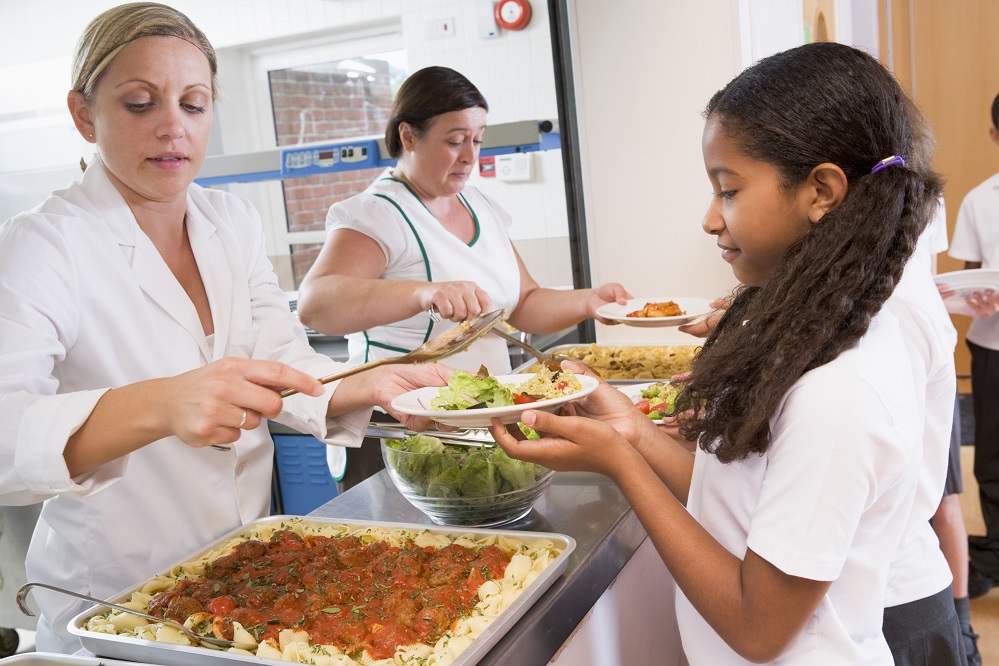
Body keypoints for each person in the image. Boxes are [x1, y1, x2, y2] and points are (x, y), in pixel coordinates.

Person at [0, 3, 451, 653]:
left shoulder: (229, 222)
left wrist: (369, 383)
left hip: (246, 578)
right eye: (138, 103)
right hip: (116, 600)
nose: (171, 128)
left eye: (193, 103)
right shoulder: (43, 244)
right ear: (82, 114)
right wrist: (159, 404)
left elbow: (279, 354)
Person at [490, 42, 960, 664]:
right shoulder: (811, 340)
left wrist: (621, 465)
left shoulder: (841, 390)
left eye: (729, 190)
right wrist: (627, 430)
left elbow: (757, 628)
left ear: (821, 191)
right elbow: (739, 502)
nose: (710, 219)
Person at [295, 65, 630, 488]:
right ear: (408, 136)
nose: (470, 156)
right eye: (455, 141)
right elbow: (316, 305)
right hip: (402, 434)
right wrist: (423, 293)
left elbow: (523, 304)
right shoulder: (377, 213)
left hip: (480, 425)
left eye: (477, 139)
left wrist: (588, 301)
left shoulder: (480, 207)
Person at [948, 91, 999, 602]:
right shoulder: (981, 200)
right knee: (991, 460)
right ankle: (995, 553)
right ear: (994, 137)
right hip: (992, 347)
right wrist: (976, 296)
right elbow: (967, 282)